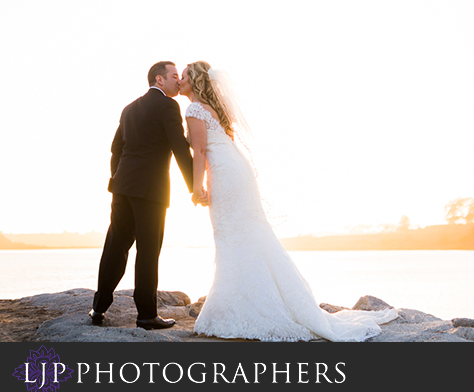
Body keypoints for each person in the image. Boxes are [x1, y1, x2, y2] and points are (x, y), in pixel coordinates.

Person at [179, 60, 399, 341]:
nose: (180, 80)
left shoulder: (195, 109)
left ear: (196, 80)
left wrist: (196, 189)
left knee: (230, 235)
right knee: (248, 233)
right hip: (236, 169)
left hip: (225, 173)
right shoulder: (215, 108)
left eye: (184, 76)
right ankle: (257, 300)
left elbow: (199, 151)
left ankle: (238, 307)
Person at [90, 61, 196, 330]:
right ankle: (147, 315)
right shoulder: (168, 106)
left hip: (122, 187)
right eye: (174, 76)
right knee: (148, 251)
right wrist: (195, 186)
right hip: (150, 191)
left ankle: (98, 308)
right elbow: (180, 148)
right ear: (159, 79)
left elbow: (116, 148)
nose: (178, 80)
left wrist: (120, 177)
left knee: (115, 247)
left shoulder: (129, 108)